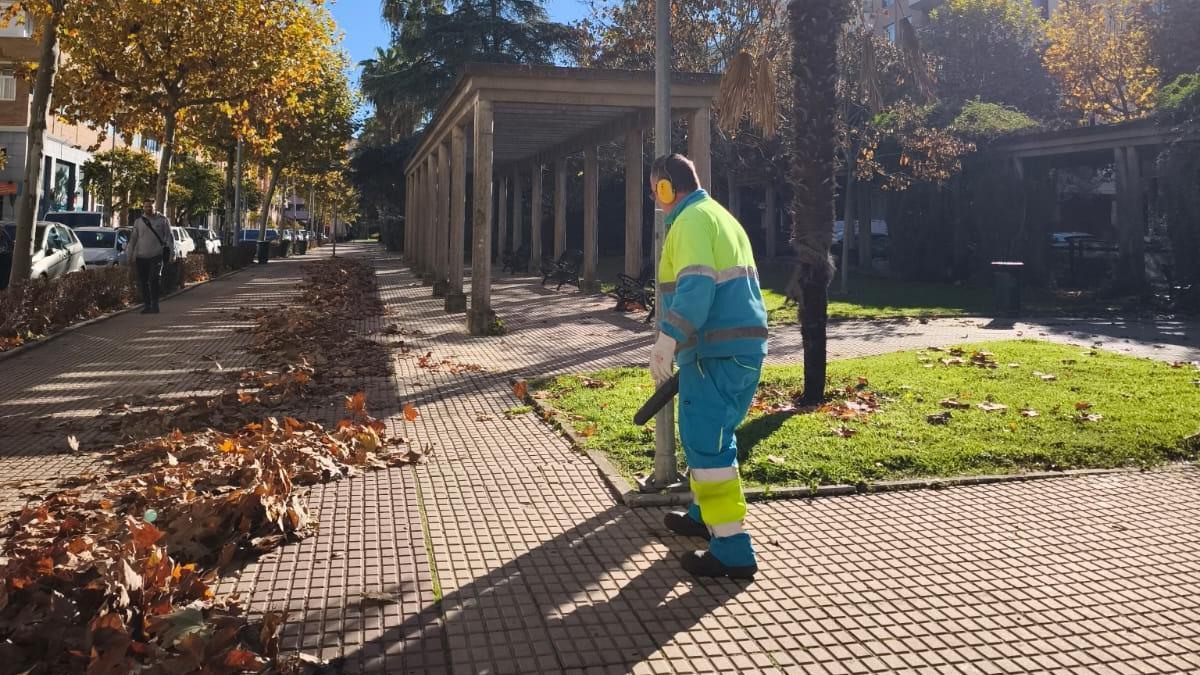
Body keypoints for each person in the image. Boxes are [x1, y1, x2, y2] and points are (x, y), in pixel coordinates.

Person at [648, 153, 768, 580]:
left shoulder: (691, 221)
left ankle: (732, 549)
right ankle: (702, 516)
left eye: (655, 192)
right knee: (713, 436)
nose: (656, 202)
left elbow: (696, 287)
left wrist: (668, 340)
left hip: (713, 353)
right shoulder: (718, 215)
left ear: (666, 188)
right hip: (737, 351)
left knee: (706, 444)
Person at [126, 199, 173, 314]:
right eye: (146, 206)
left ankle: (155, 304)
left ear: (155, 207)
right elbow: (133, 239)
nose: (148, 208)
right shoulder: (138, 222)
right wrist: (130, 254)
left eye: (150, 207)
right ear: (143, 207)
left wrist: (172, 253)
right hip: (141, 257)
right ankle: (147, 305)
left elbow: (169, 237)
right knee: (144, 282)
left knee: (154, 279)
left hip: (156, 255)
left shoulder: (163, 220)